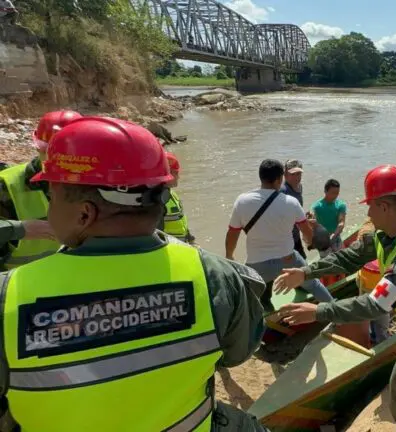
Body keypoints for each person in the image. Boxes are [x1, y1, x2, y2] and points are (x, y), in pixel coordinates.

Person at [0, 116, 270, 431]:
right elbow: (236, 353)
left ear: (85, 213)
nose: (48, 210)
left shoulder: (8, 298)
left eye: (52, 196)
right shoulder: (216, 277)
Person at [273, 165, 396, 432]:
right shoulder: (386, 235)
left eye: (370, 206)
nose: (367, 213)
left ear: (385, 207)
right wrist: (306, 271)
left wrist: (318, 311)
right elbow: (348, 257)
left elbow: (375, 304)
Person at [226, 159, 332, 311]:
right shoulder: (291, 202)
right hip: (288, 260)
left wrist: (230, 256)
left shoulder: (242, 201)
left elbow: (232, 233)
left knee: (247, 297)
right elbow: (308, 233)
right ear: (279, 179)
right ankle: (335, 312)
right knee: (314, 284)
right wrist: (310, 243)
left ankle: (259, 321)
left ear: (260, 177)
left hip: (257, 265)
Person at [0, 110, 82, 270]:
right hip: (17, 287)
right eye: (51, 152)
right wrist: (19, 229)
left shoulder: (97, 185)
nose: (59, 161)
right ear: (38, 148)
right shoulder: (7, 184)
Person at [160, 152, 195, 243]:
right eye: (176, 173)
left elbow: (180, 219)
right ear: (168, 174)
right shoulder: (159, 200)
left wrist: (191, 239)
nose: (178, 177)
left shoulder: (172, 194)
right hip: (170, 250)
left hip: (182, 246)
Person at [311, 179, 347, 257]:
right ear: (325, 191)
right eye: (333, 193)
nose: (336, 195)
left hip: (336, 237)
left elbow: (341, 222)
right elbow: (312, 219)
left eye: (337, 193)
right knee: (326, 262)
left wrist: (333, 236)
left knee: (341, 259)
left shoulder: (341, 205)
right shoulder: (317, 206)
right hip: (323, 240)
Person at [280, 159, 307, 259]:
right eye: (293, 174)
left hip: (295, 234)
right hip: (286, 238)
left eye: (299, 173)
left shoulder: (299, 187)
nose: (297, 177)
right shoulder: (282, 191)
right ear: (285, 174)